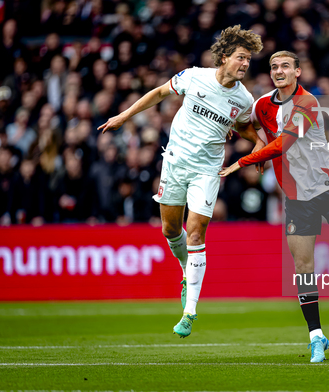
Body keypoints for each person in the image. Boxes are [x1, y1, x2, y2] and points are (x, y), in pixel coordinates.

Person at [98, 25, 264, 338]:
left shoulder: (244, 99)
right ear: (224, 57)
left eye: (249, 60)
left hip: (207, 171)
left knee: (197, 231)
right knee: (170, 230)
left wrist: (257, 144)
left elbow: (243, 127)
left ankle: (190, 312)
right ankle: (187, 271)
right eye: (241, 58)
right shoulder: (194, 76)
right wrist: (124, 116)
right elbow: (160, 93)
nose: (245, 64)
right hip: (174, 163)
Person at [219, 51, 329, 363]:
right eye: (274, 66)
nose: (278, 71)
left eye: (285, 66)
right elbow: (255, 129)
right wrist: (259, 143)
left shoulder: (308, 103)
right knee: (303, 267)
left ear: (298, 72)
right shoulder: (262, 104)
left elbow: (284, 143)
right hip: (296, 195)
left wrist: (246, 160)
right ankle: (316, 337)